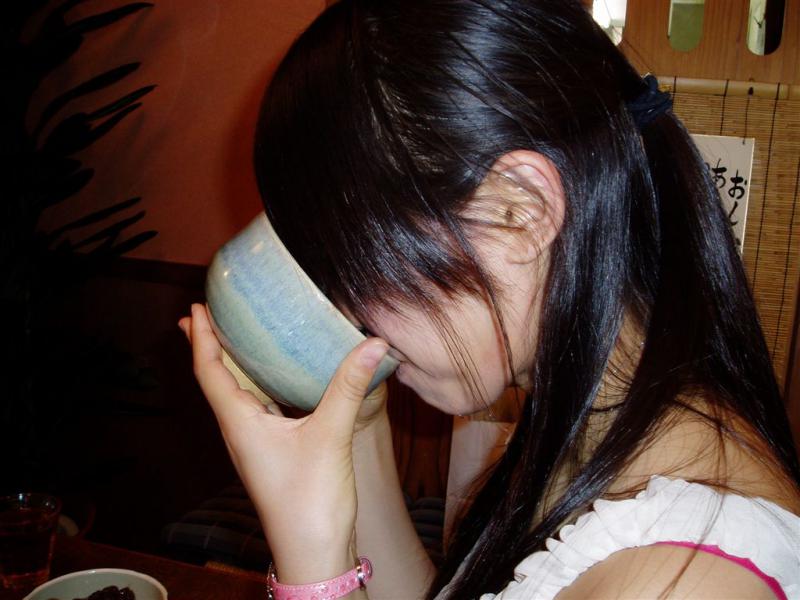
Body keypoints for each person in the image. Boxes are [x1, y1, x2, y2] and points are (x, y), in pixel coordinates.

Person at [178, 0, 800, 597]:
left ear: (517, 211)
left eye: (358, 270)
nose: (347, 314)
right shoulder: (602, 418)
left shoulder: (685, 581)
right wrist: (356, 429)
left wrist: (310, 553)